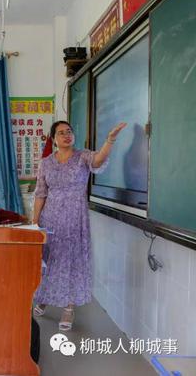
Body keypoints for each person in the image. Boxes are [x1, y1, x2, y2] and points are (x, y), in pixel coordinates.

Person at [32, 120, 126, 331]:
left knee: (72, 261)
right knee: (49, 259)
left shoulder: (83, 156)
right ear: (54, 139)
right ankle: (44, 297)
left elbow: (99, 161)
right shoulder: (46, 163)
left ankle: (69, 307)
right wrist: (35, 221)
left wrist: (110, 140)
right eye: (61, 133)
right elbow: (40, 193)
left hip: (75, 218)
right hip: (51, 218)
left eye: (69, 131)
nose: (67, 135)